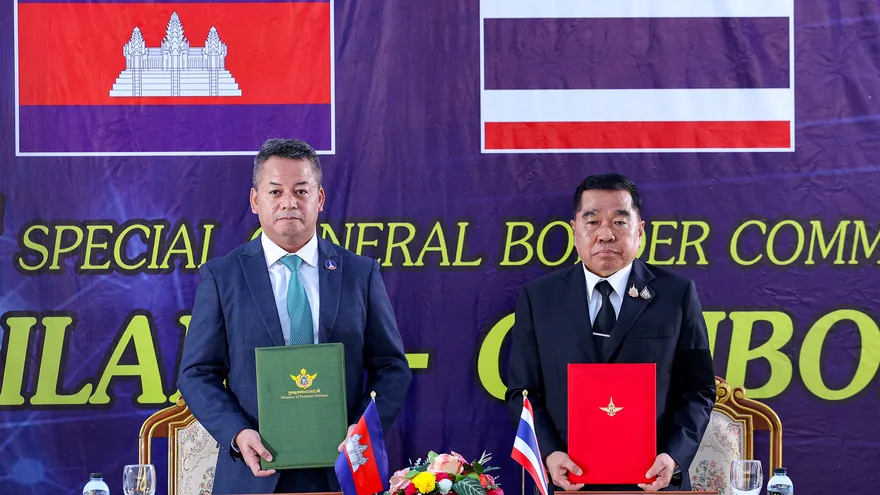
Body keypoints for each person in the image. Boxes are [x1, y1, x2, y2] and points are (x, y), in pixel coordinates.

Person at [178, 138, 412, 494]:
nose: (289, 202)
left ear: (319, 198)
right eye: (275, 192)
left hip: (343, 472)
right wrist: (237, 432)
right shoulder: (222, 276)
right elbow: (196, 373)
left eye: (301, 191)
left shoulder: (359, 274)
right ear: (256, 201)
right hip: (254, 474)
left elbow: (392, 367)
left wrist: (365, 427)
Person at [505, 173, 716, 492]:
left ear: (640, 231)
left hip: (652, 483)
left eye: (620, 221)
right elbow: (522, 392)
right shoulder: (540, 299)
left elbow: (698, 390)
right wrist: (549, 454)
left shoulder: (677, 295)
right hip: (565, 481)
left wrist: (673, 457)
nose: (605, 234)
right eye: (592, 222)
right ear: (575, 230)